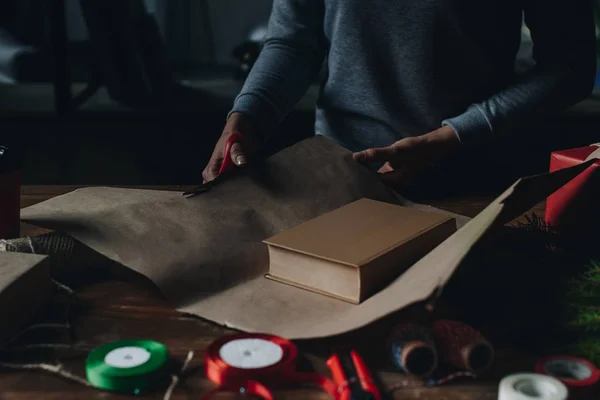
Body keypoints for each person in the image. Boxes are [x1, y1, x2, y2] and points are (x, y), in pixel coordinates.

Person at [202, 0, 596, 191]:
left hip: (472, 183)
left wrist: (451, 137)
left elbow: (570, 66)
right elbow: (294, 42)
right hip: (340, 177)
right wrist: (246, 117)